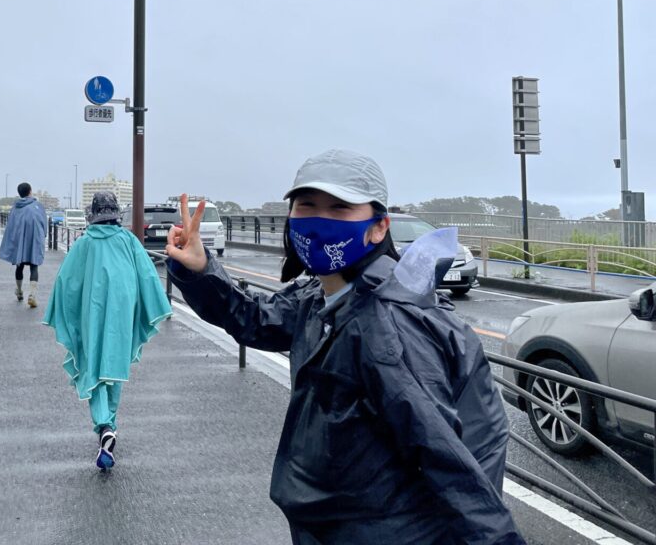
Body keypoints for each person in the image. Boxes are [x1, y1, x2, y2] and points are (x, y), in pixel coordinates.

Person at [165, 150, 524, 545]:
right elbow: (256, 320)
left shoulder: (388, 326)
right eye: (307, 206)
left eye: (340, 209)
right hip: (336, 519)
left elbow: (447, 460)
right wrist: (200, 271)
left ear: (377, 227)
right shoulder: (324, 292)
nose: (320, 220)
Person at [43, 191, 172, 470]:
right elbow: (148, 275)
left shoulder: (85, 243)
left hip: (92, 311)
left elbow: (67, 282)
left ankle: (104, 425)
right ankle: (109, 425)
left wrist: (63, 311)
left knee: (93, 364)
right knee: (113, 364)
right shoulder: (128, 241)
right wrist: (154, 305)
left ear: (93, 214)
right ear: (115, 214)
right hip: (122, 311)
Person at [0, 183, 47, 308]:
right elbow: (43, 224)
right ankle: (32, 295)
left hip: (20, 241)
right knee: (34, 267)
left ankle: (19, 291)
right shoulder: (37, 206)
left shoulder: (16, 207)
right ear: (30, 191)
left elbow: (11, 226)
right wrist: (43, 236)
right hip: (34, 240)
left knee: (19, 267)